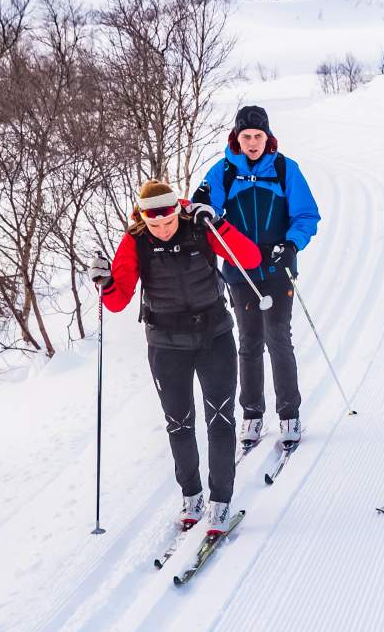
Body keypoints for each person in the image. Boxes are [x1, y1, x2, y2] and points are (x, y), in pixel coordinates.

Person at [94, 180, 260, 537]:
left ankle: (221, 503)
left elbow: (250, 259)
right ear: (142, 218)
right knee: (179, 424)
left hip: (213, 335)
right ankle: (192, 497)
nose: (164, 230)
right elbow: (117, 300)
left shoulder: (200, 225)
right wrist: (105, 281)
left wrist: (218, 222)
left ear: (176, 211)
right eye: (155, 225)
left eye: (168, 221)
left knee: (220, 419)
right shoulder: (135, 240)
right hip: (166, 344)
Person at [194, 105, 321, 451]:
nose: (252, 143)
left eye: (258, 136)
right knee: (249, 341)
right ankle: (251, 413)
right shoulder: (222, 172)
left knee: (278, 336)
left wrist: (291, 244)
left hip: (278, 268)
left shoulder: (284, 169)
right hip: (239, 271)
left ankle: (289, 413)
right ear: (236, 137)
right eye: (246, 136)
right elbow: (203, 212)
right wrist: (202, 206)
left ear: (268, 138)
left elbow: (307, 214)